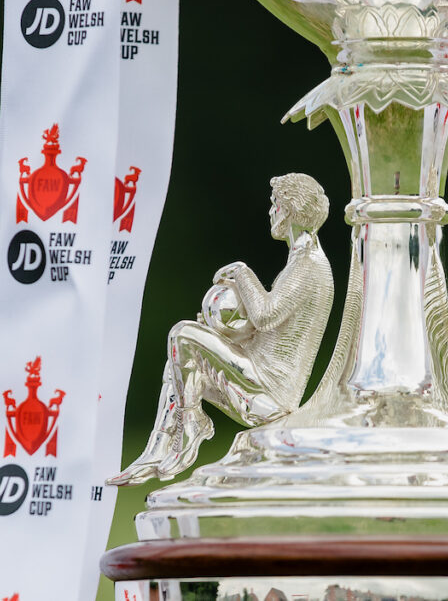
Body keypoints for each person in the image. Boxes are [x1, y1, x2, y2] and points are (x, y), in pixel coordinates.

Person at [109, 173, 334, 485]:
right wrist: (221, 337)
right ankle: (156, 450)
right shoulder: (302, 260)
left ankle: (191, 424)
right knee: (178, 360)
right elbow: (267, 332)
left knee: (182, 333)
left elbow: (265, 316)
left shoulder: (309, 265)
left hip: (270, 392)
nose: (271, 211)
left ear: (291, 209)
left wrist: (242, 273)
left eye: (275, 204)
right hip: (256, 376)